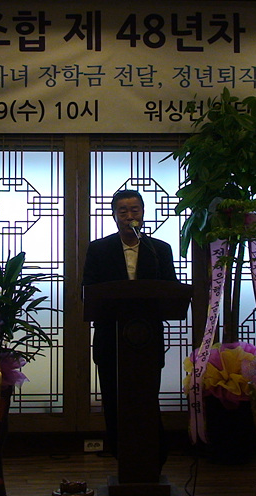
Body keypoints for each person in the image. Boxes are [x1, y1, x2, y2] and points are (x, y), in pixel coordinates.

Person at [82, 189, 178, 466]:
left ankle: (153, 457)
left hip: (147, 338)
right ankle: (121, 456)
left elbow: (171, 289)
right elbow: (88, 290)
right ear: (114, 216)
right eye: (122, 211)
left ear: (143, 213)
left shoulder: (158, 249)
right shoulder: (99, 249)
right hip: (111, 337)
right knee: (114, 399)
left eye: (134, 210)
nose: (129, 216)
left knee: (146, 397)